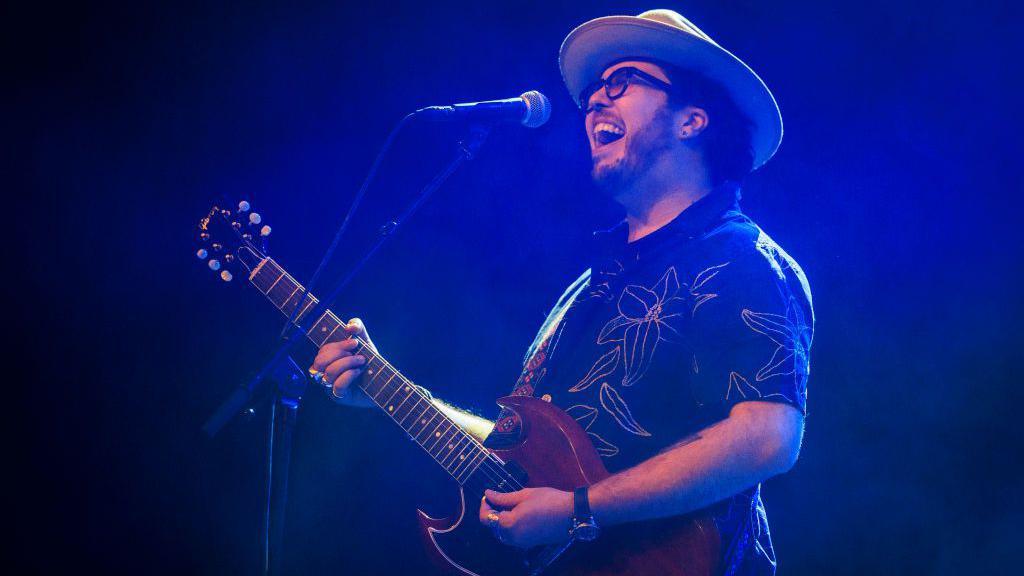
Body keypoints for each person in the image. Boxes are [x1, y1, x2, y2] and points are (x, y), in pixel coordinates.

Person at [310, 9, 813, 574]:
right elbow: (518, 449)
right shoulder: (586, 289)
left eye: (622, 82)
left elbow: (768, 438)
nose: (596, 99)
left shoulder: (743, 259)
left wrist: (578, 511)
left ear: (691, 121)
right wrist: (384, 391)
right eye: (595, 89)